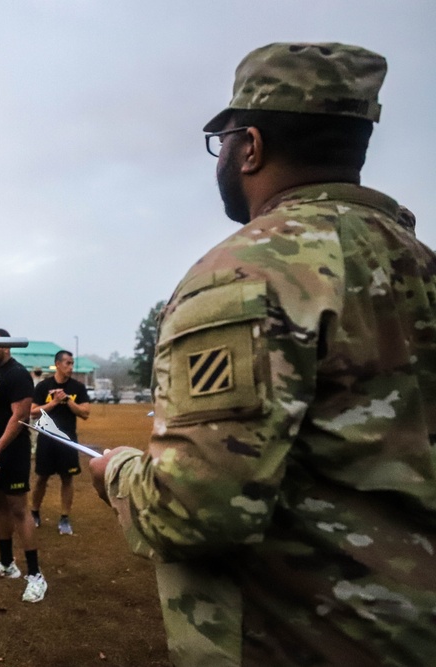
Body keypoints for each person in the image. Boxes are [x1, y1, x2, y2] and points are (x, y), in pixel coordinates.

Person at [89, 43, 436, 666]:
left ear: (249, 146)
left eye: (221, 141)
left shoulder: (244, 275)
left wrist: (114, 470)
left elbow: (192, 514)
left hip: (304, 641)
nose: (220, 157)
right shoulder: (418, 263)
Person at [0, 328, 46, 603]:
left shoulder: (17, 374)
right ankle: (7, 564)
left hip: (10, 452)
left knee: (18, 509)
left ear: (6, 346)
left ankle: (36, 575)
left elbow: (20, 418)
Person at [29, 349, 89, 535]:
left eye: (72, 363)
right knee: (41, 478)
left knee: (67, 478)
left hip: (68, 440)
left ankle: (64, 518)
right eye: (67, 363)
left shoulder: (78, 388)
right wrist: (54, 402)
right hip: (47, 439)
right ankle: (35, 513)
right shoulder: (43, 386)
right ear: (57, 364)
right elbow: (32, 411)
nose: (70, 367)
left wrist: (68, 401)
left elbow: (85, 413)